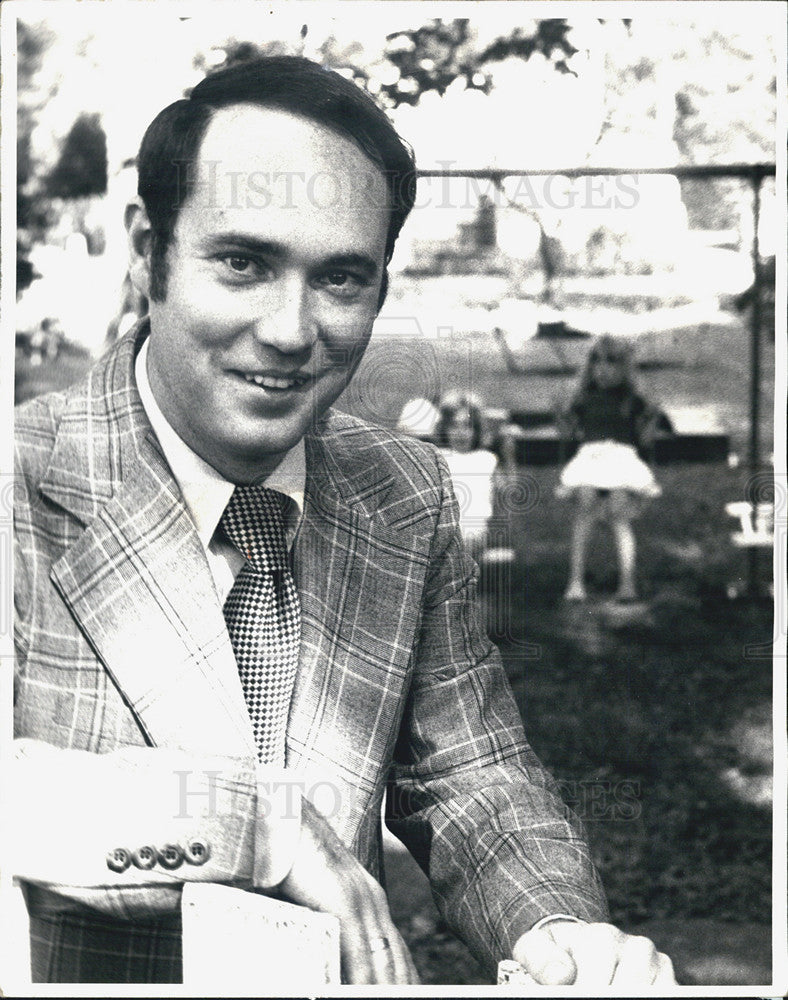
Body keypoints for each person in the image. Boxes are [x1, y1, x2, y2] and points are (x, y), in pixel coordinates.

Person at [12, 56, 675, 987]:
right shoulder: (19, 481)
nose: (290, 330)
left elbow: (473, 779)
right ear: (146, 250)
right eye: (242, 263)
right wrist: (258, 827)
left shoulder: (406, 493)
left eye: (341, 279)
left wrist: (560, 935)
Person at [556, 335, 663, 602]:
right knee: (586, 507)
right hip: (590, 460)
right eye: (597, 364)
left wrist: (652, 417)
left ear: (624, 369)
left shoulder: (632, 400)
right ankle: (576, 581)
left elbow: (645, 441)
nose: (602, 370)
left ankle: (627, 583)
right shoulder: (583, 398)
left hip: (621, 460)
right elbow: (569, 436)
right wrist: (560, 415)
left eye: (611, 364)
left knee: (618, 513)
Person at [433, 392, 499, 558]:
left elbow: (506, 491)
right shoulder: (439, 456)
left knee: (466, 538)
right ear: (445, 429)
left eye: (467, 426)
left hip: (473, 529)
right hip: (444, 527)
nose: (460, 432)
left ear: (476, 430)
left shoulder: (486, 459)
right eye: (454, 426)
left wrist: (510, 455)